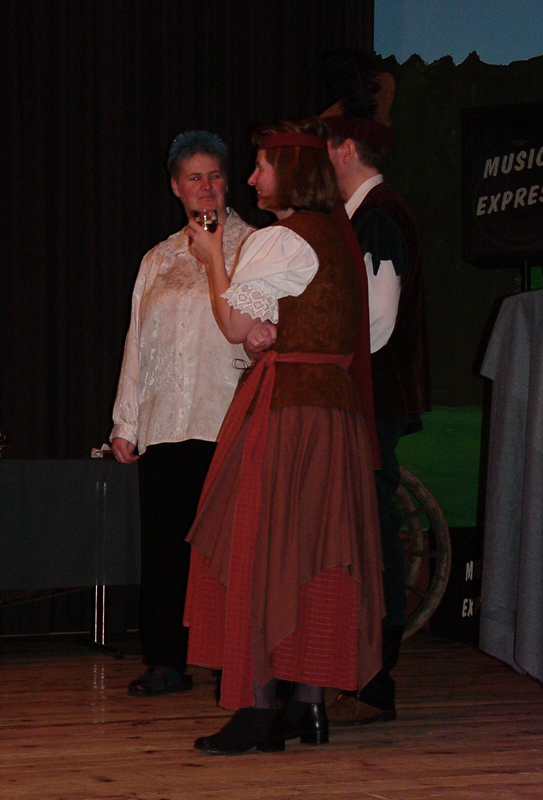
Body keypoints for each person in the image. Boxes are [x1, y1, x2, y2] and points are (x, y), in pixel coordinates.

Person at [183, 117, 385, 755]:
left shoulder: (281, 239)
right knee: (313, 548)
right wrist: (268, 334)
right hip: (333, 414)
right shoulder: (337, 237)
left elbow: (234, 324)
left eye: (262, 167)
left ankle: (258, 707)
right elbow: (285, 325)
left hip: (289, 413)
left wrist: (213, 259)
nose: (250, 179)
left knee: (258, 544)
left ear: (291, 172)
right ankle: (309, 706)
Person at [110, 130, 254, 697]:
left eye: (215, 175)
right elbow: (137, 341)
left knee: (229, 548)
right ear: (176, 187)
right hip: (167, 421)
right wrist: (126, 422)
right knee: (166, 547)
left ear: (228, 181)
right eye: (195, 177)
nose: (207, 187)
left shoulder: (254, 246)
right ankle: (167, 660)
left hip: (228, 418)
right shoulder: (158, 258)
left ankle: (233, 659)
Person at [322, 64, 430, 726]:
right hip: (364, 395)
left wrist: (332, 368)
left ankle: (377, 674)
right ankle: (364, 667)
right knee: (367, 526)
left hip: (373, 398)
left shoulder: (380, 216)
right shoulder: (364, 216)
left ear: (343, 149)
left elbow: (378, 321)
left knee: (375, 528)